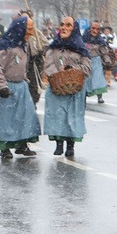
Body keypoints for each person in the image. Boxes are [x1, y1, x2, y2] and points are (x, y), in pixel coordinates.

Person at [0, 15, 41, 159]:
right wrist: (1, 85)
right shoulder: (5, 46)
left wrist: (24, 78)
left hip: (21, 86)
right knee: (7, 118)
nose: (30, 31)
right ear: (20, 29)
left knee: (25, 116)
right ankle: (4, 148)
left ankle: (22, 145)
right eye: (29, 28)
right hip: (7, 87)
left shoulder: (23, 45)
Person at [43, 16, 91, 158]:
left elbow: (87, 67)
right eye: (62, 25)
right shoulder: (54, 46)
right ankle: (59, 143)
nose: (63, 27)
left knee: (72, 116)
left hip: (74, 88)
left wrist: (72, 69)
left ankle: (70, 145)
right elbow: (48, 64)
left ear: (74, 28)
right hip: (57, 86)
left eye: (68, 25)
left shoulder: (81, 47)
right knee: (58, 115)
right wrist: (58, 74)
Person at [82, 22, 113, 105]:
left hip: (96, 62)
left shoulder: (100, 40)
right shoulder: (83, 39)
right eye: (93, 28)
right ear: (90, 29)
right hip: (86, 61)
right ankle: (83, 96)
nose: (95, 31)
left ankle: (100, 97)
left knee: (98, 78)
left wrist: (107, 61)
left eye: (97, 29)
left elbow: (104, 52)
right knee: (86, 80)